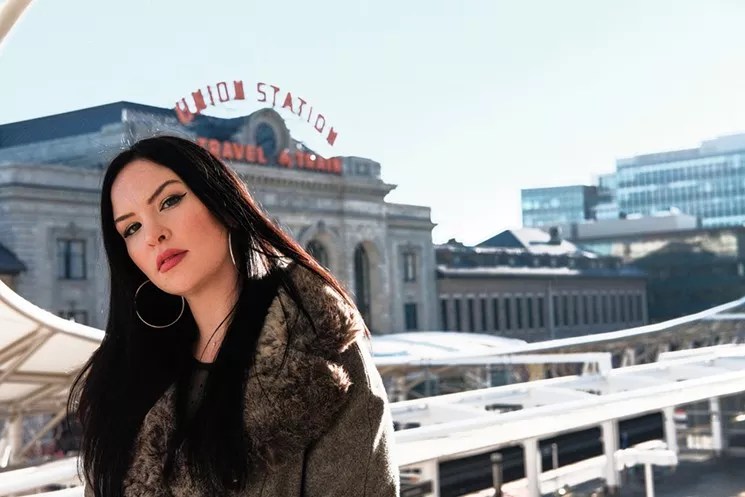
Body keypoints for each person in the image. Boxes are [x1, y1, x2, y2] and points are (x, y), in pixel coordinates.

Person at [68, 135, 400, 497]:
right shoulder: (122, 381)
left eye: (170, 201)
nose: (153, 235)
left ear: (222, 204)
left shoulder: (319, 350)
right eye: (131, 228)